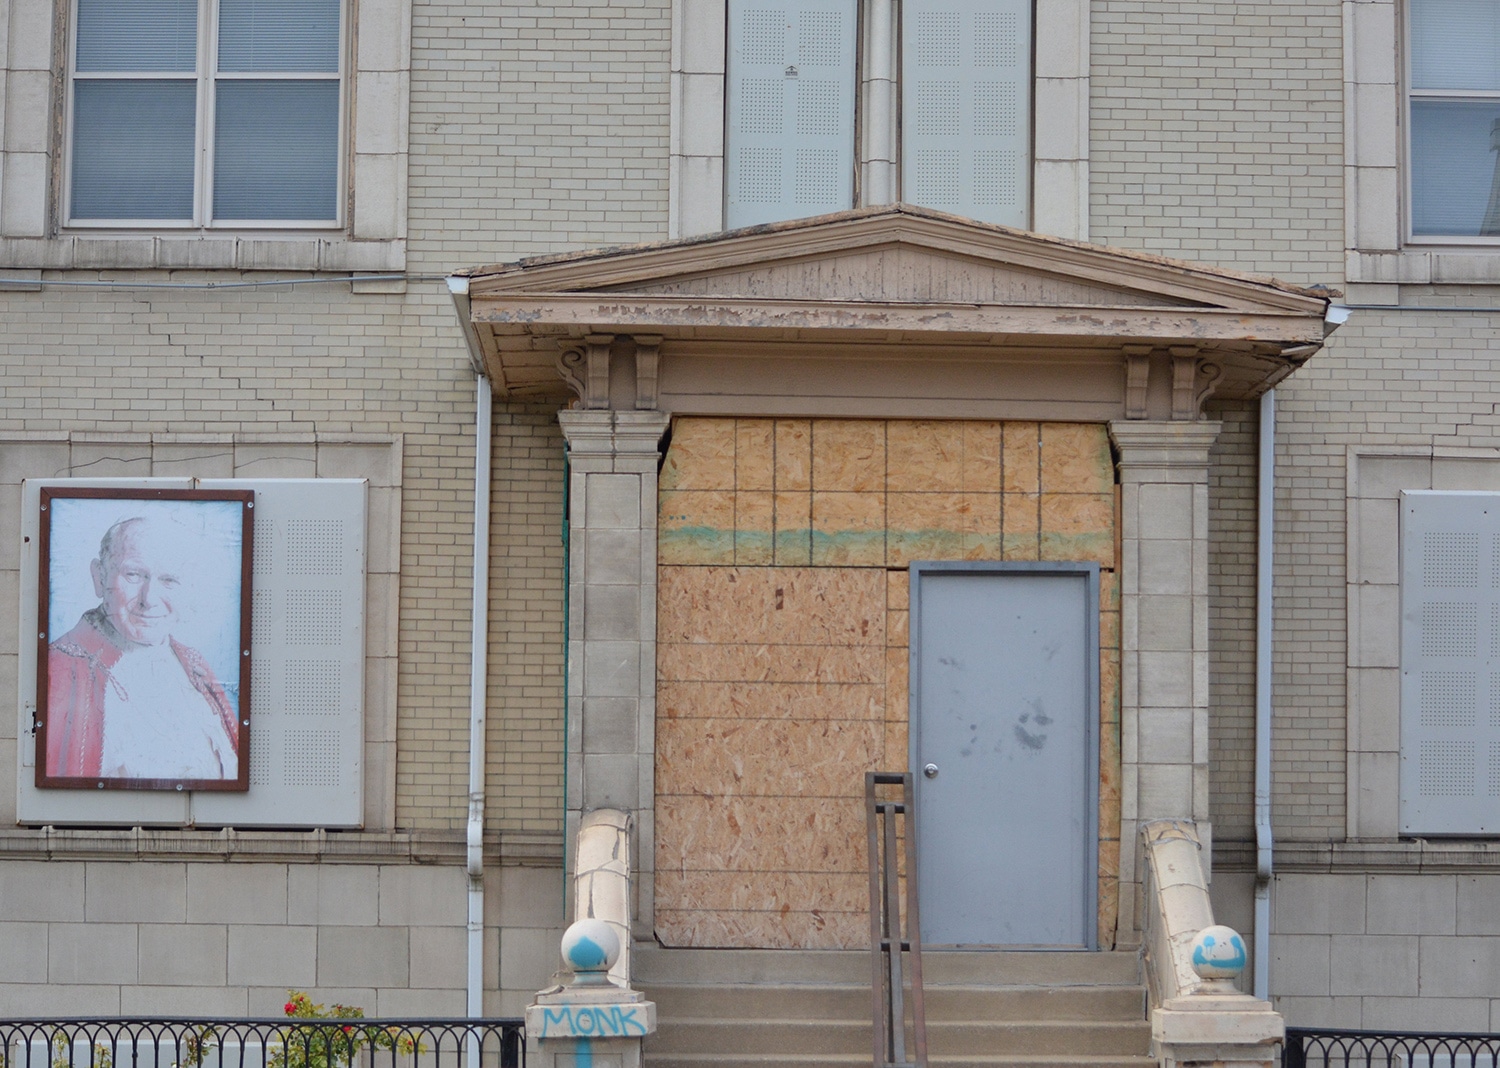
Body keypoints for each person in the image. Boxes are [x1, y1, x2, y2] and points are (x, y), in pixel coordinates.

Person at [45, 515, 239, 782]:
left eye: (169, 580)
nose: (150, 600)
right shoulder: (61, 668)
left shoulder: (194, 665)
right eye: (134, 575)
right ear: (99, 577)